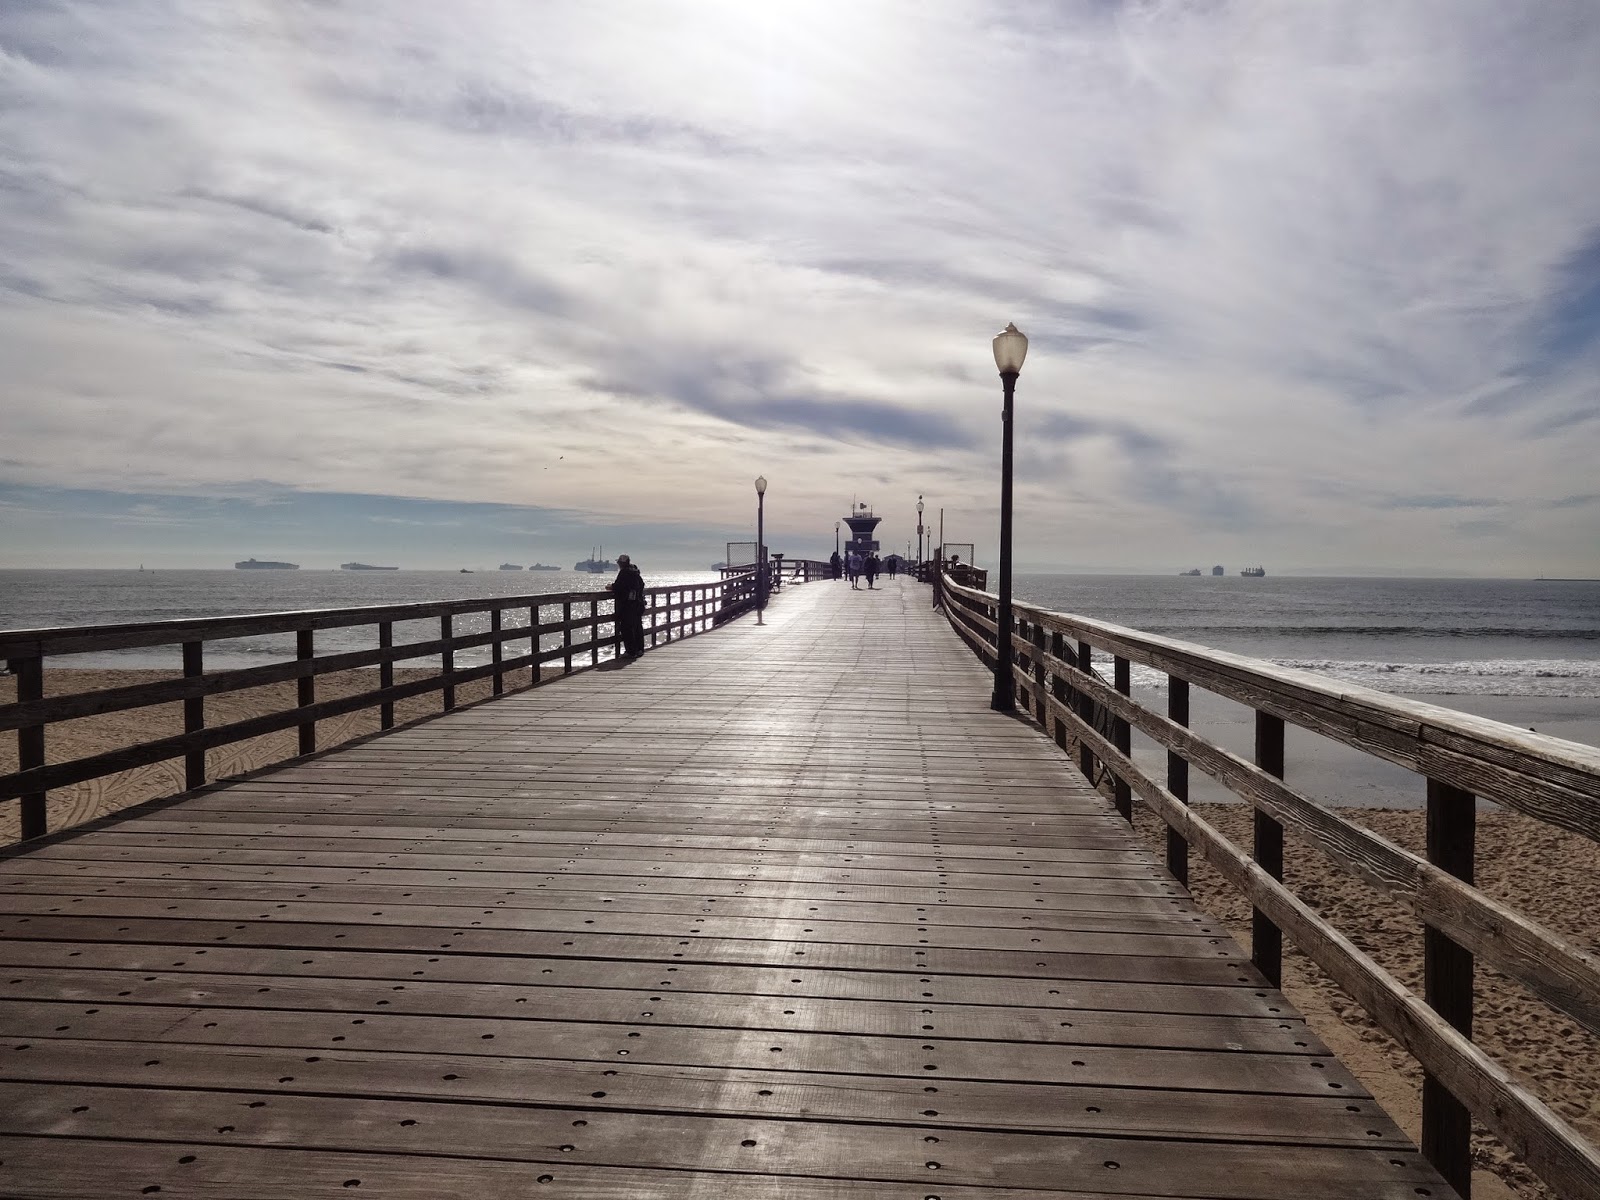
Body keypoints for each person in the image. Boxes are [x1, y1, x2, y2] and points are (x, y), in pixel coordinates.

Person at [608, 553, 646, 660]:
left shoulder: (624, 573)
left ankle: (630, 651)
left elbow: (619, 587)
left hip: (627, 606)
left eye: (619, 563)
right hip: (638, 604)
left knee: (627, 628)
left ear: (621, 563)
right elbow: (641, 585)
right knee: (637, 627)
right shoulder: (635, 573)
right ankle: (639, 649)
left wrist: (611, 587)